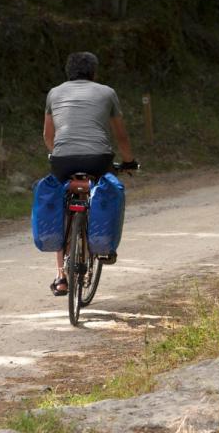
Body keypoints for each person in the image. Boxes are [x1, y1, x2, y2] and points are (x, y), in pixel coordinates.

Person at [44, 51, 136, 296]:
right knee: (105, 191)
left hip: (62, 159)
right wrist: (129, 161)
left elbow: (48, 136)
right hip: (98, 158)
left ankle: (61, 276)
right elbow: (121, 135)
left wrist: (58, 155)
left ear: (68, 72)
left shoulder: (54, 93)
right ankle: (104, 245)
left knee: (63, 203)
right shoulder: (107, 92)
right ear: (94, 73)